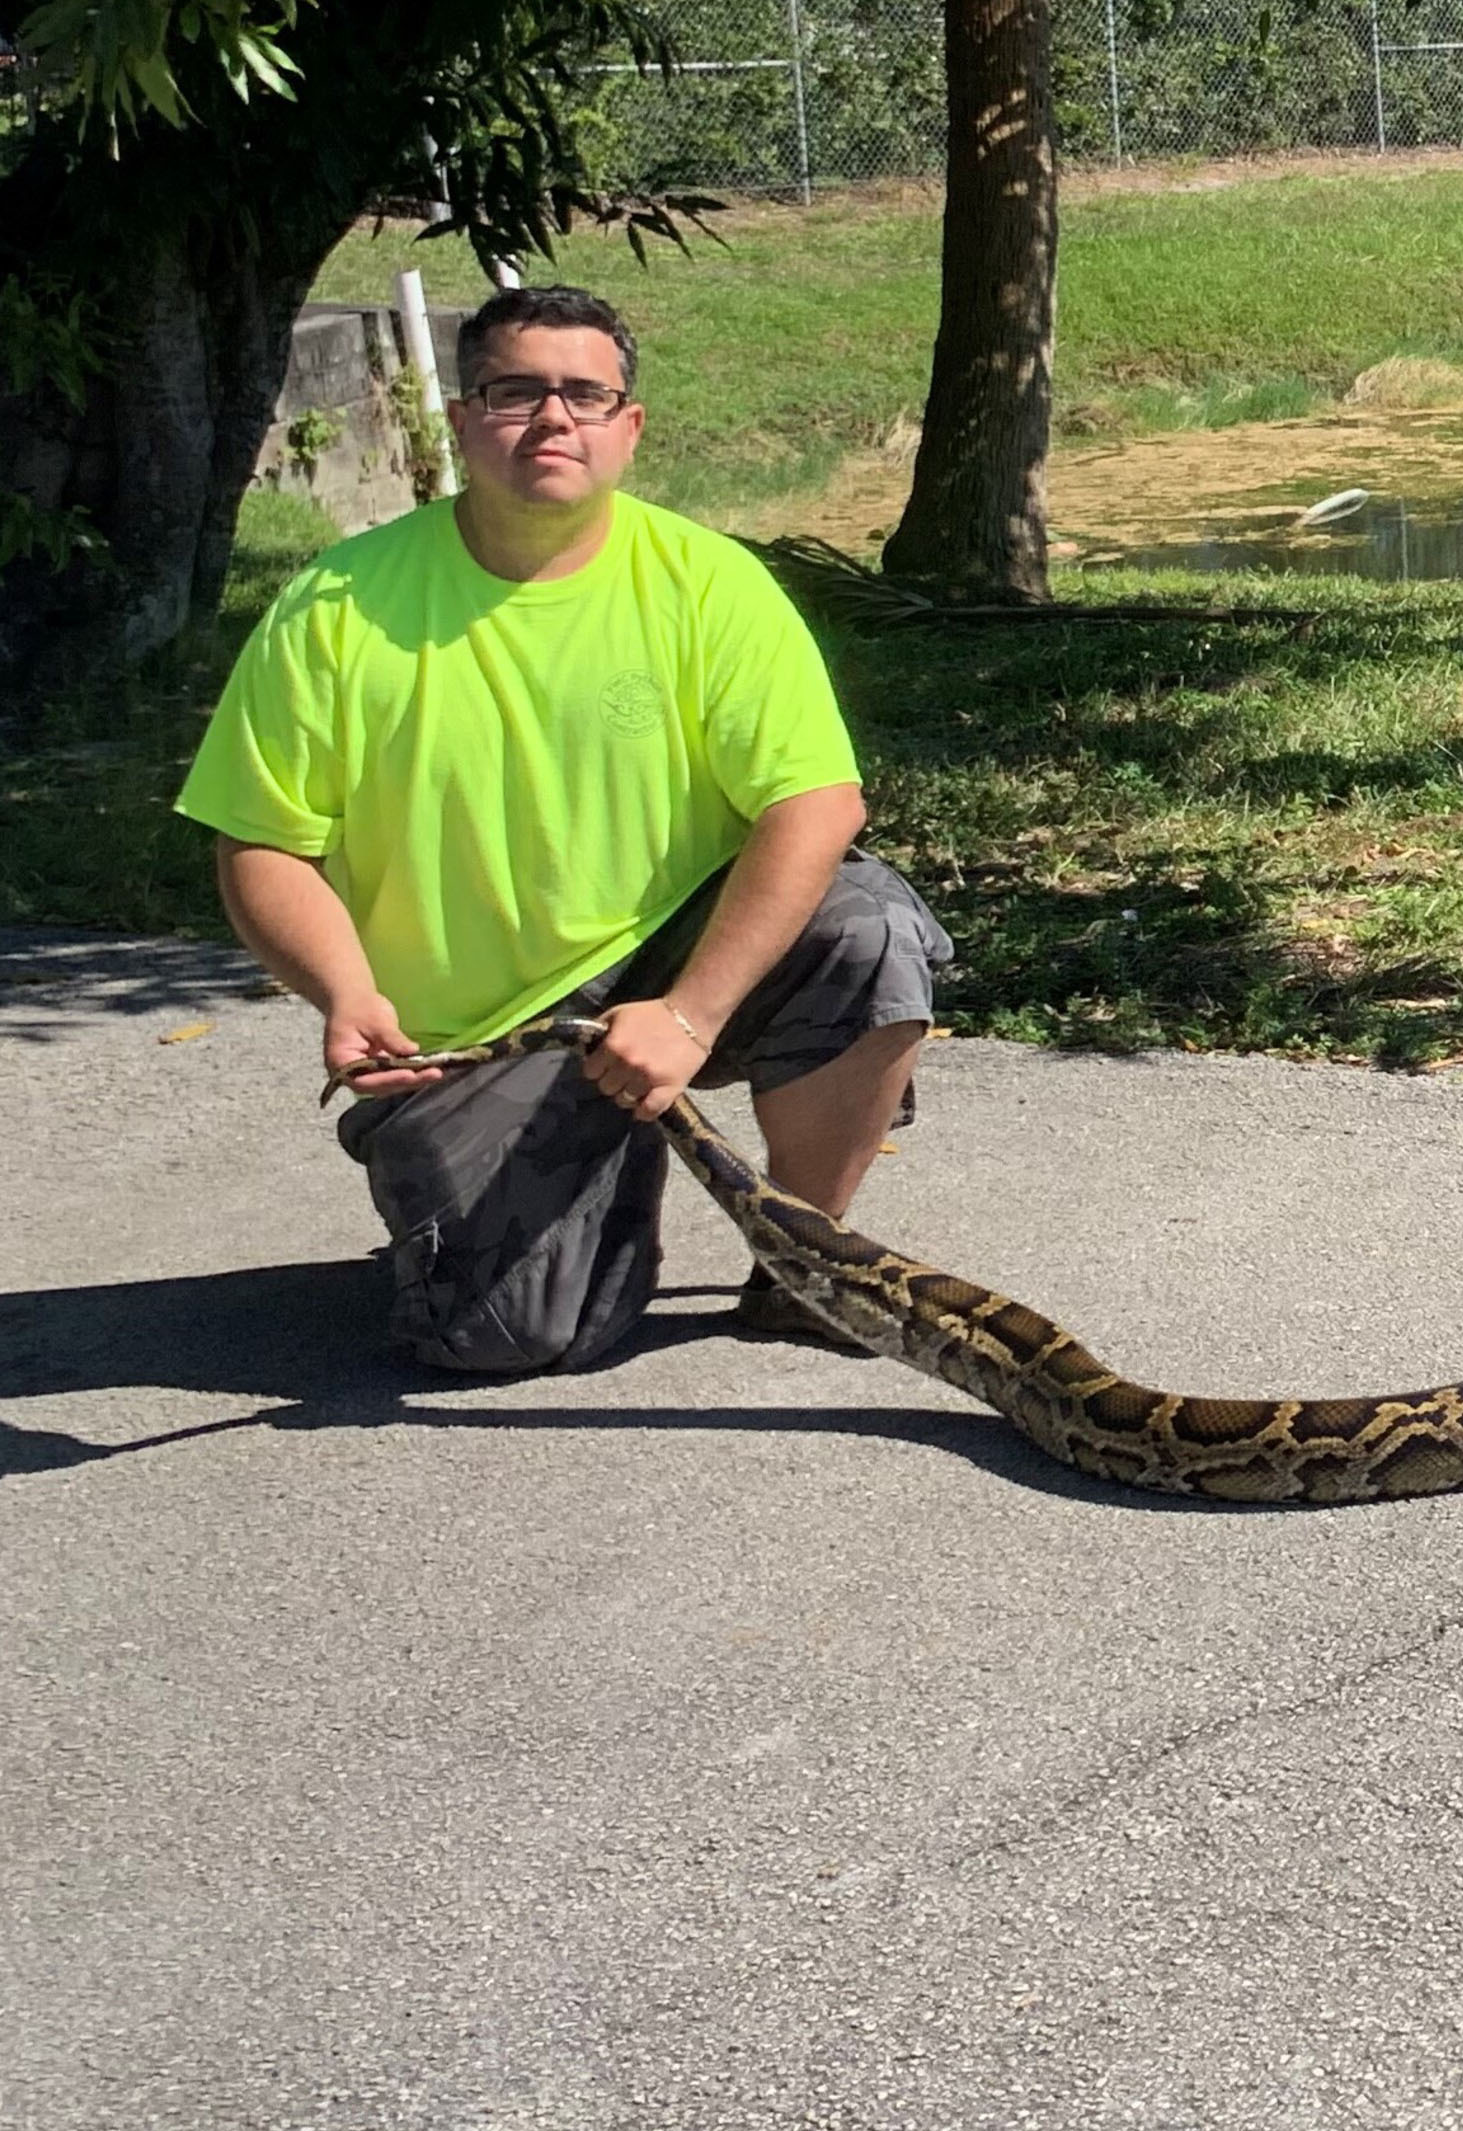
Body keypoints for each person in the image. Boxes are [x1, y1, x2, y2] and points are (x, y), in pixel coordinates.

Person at [177, 282, 955, 1373]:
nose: (553, 419)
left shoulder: (707, 584)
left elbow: (817, 803)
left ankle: (805, 1264)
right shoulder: (334, 605)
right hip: (475, 1038)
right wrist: (344, 991)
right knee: (512, 1339)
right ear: (459, 419)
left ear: (628, 426)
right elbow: (260, 841)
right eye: (514, 391)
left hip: (668, 969)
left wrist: (688, 1016)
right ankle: (543, 1187)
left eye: (587, 394)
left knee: (866, 925)